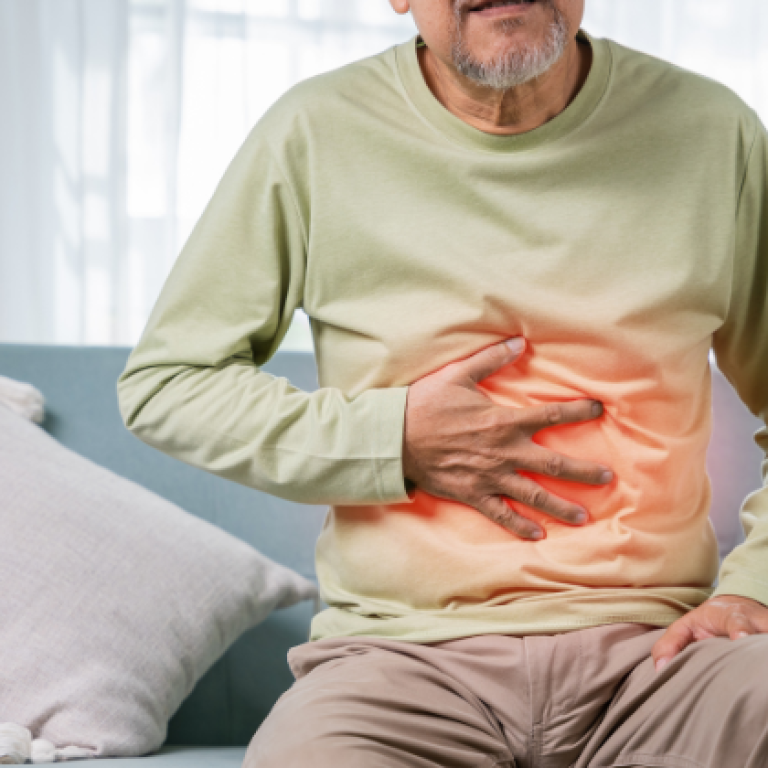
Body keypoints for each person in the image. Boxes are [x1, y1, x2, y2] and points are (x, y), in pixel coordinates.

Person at [116, 0, 768, 765]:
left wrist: (754, 585)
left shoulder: (713, 131)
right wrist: (392, 440)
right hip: (398, 661)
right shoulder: (314, 133)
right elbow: (168, 383)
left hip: (660, 658)